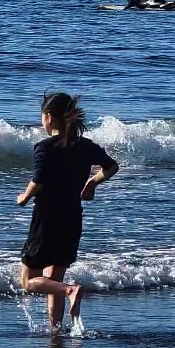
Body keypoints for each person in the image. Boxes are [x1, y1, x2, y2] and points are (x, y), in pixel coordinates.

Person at [17, 91, 119, 327]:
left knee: (29, 281)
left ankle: (71, 291)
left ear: (50, 117)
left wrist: (23, 197)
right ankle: (56, 331)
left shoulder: (44, 147)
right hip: (72, 217)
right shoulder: (85, 146)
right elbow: (111, 166)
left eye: (42, 116)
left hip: (46, 220)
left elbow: (38, 180)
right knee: (54, 278)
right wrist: (92, 183)